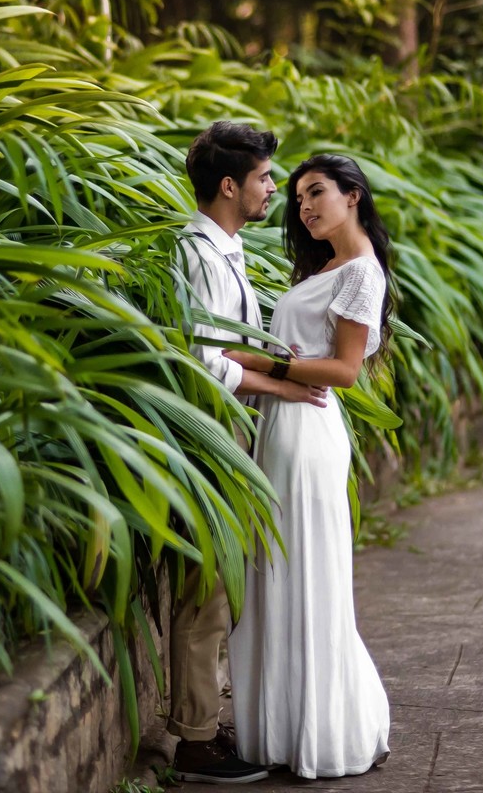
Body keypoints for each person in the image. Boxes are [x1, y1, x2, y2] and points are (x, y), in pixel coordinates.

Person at [223, 154, 395, 779]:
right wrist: (272, 367)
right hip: (283, 426)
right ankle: (282, 730)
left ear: (353, 196)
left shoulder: (362, 273)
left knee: (303, 577)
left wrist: (263, 363)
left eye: (316, 192)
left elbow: (344, 371)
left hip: (307, 430)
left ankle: (319, 735)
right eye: (298, 199)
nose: (304, 207)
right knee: (279, 577)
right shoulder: (327, 267)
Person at [167, 122, 329, 785]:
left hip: (230, 430)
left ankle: (205, 724)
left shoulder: (224, 248)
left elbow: (230, 345)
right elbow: (206, 363)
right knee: (206, 585)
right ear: (230, 186)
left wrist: (280, 367)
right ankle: (195, 743)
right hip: (211, 434)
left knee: (222, 583)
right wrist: (286, 385)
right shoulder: (200, 254)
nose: (273, 188)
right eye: (264, 177)